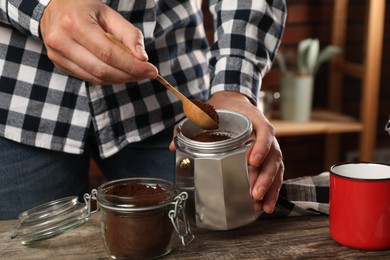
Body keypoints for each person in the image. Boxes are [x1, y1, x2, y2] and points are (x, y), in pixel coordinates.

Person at [0, 0, 286, 220]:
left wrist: (234, 87)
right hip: (21, 99)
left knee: (204, 236)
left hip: (171, 102)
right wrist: (42, 9)